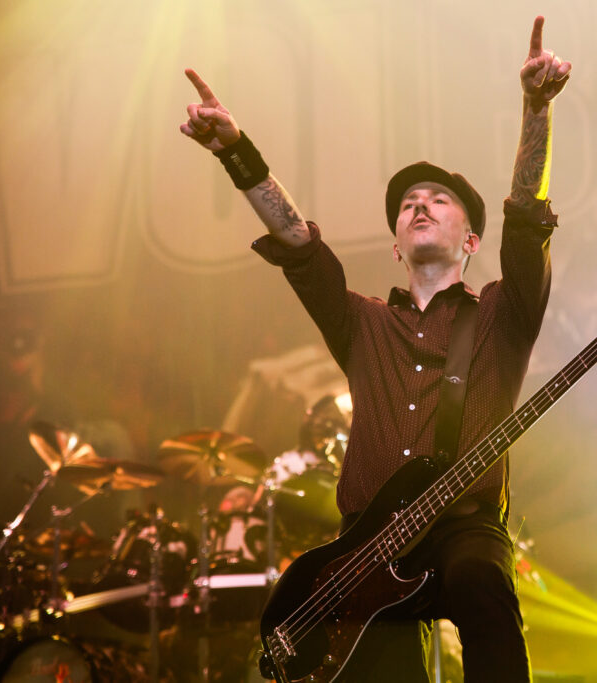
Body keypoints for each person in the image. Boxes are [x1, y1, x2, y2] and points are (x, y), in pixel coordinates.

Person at [180, 15, 571, 682]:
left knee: (482, 582)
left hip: (463, 526)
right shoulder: (362, 323)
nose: (419, 205)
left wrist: (535, 110)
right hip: (364, 546)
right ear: (395, 244)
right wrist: (234, 153)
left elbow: (527, 219)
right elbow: (300, 244)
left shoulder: (502, 313)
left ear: (471, 241)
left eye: (439, 200)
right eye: (408, 203)